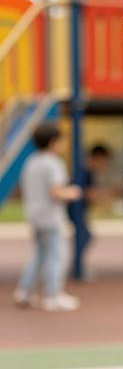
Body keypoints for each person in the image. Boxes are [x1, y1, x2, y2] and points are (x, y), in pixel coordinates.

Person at [14, 122, 82, 312]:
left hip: (35, 215)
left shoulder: (31, 162)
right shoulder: (54, 163)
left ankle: (24, 291)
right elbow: (56, 192)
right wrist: (73, 192)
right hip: (51, 218)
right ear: (54, 142)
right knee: (56, 255)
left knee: (39, 254)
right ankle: (52, 295)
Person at [68, 144, 112, 279]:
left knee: (84, 235)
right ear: (97, 158)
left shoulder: (88, 171)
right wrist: (102, 194)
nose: (104, 165)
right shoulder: (83, 171)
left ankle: (77, 266)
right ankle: (77, 268)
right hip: (74, 208)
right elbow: (80, 191)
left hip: (80, 209)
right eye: (103, 161)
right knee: (84, 235)